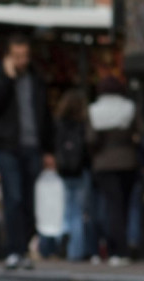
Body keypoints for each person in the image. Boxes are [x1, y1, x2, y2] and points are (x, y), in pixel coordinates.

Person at [0, 35, 54, 270]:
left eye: (25, 55)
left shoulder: (36, 78)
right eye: (17, 56)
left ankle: (24, 249)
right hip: (7, 147)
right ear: (8, 56)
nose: (22, 61)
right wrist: (8, 78)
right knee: (12, 198)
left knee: (28, 200)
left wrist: (48, 148)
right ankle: (13, 251)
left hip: (32, 146)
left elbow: (45, 114)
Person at [88, 76, 139, 266]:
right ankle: (124, 247)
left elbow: (91, 139)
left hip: (104, 163)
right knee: (124, 207)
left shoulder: (94, 110)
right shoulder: (129, 107)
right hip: (127, 162)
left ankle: (116, 249)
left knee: (112, 207)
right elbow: (139, 133)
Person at [53, 89, 92, 262]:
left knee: (67, 211)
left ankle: (64, 237)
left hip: (63, 170)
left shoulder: (59, 123)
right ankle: (76, 251)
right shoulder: (82, 124)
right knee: (78, 212)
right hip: (80, 170)